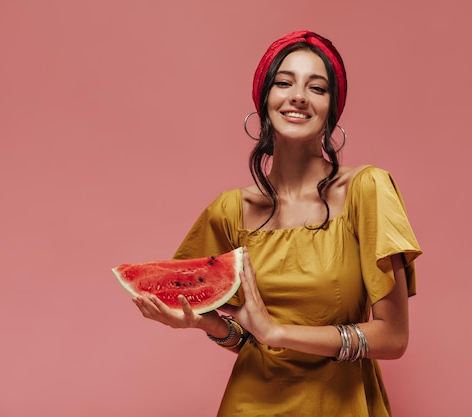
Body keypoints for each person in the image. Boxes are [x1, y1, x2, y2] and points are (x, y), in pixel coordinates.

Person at [132, 30, 422, 417]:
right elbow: (247, 339)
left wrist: (276, 333)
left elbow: (393, 337)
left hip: (339, 405)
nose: (298, 95)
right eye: (284, 82)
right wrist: (207, 325)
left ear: (331, 110)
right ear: (265, 99)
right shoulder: (231, 210)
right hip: (250, 404)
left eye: (316, 87)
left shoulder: (366, 190)